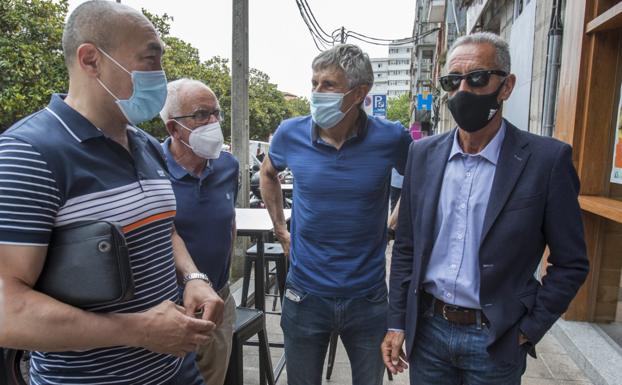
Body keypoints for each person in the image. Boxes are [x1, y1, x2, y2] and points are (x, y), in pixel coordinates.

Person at [0, 2, 224, 384]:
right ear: (91, 60)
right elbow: (7, 308)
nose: (160, 75)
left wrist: (193, 276)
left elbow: (163, 229)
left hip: (177, 371)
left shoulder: (146, 144)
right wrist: (136, 330)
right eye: (149, 60)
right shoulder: (28, 154)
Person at [382, 32, 589, 385]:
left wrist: (527, 330)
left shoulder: (546, 161)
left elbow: (571, 262)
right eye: (452, 81)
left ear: (506, 86)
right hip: (429, 334)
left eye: (477, 78)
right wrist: (397, 321)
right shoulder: (423, 154)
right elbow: (407, 247)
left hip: (495, 340)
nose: (463, 90)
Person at [261, 44, 412, 385]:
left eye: (328, 85)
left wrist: (392, 222)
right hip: (305, 294)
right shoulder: (290, 133)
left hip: (368, 296)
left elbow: (419, 181)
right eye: (313, 82)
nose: (316, 93)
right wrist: (280, 229)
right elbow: (267, 174)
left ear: (359, 93)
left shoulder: (391, 137)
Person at [160, 78, 238, 385]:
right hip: (170, 307)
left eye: (217, 113)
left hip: (218, 301)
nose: (214, 122)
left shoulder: (228, 166)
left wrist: (221, 283)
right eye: (202, 114)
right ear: (173, 129)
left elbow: (227, 223)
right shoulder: (150, 168)